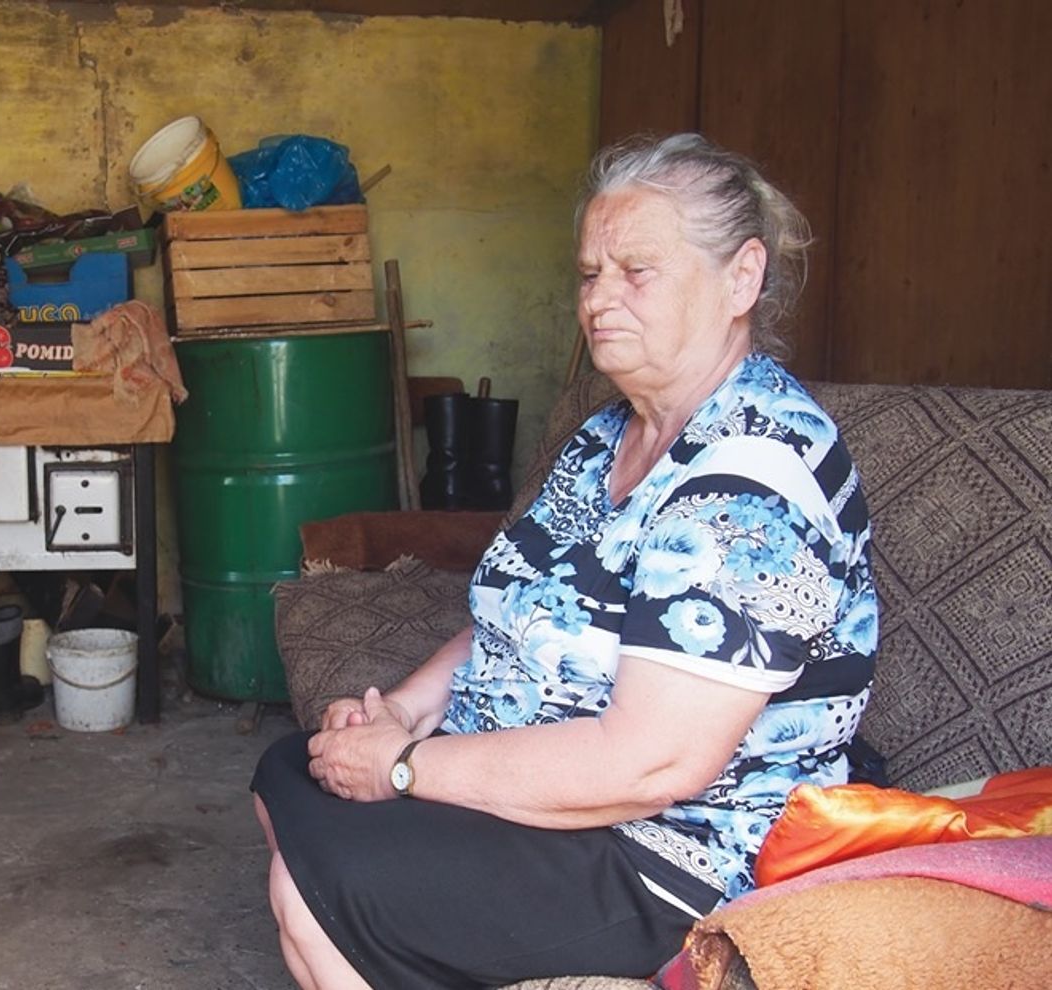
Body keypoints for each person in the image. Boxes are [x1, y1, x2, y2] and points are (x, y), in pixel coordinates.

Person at [250, 132, 879, 989]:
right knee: (292, 770)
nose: (599, 301)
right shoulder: (607, 435)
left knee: (318, 887)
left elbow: (652, 765)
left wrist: (402, 767)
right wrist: (398, 711)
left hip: (664, 851)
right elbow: (516, 610)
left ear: (742, 278)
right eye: (590, 274)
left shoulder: (753, 479)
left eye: (636, 271)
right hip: (531, 779)